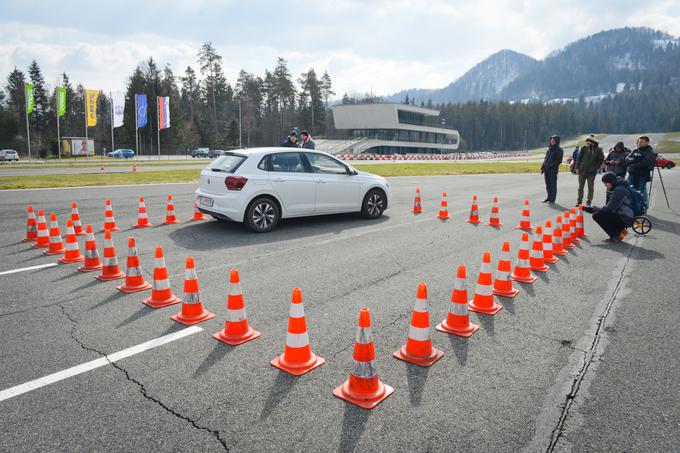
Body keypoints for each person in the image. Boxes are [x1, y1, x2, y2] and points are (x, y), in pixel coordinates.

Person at [586, 172, 634, 242]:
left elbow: (610, 208)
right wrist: (596, 209)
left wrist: (595, 210)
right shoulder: (619, 187)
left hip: (625, 218)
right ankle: (618, 231)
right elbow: (610, 207)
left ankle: (616, 235)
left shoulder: (619, 190)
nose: (605, 185)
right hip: (625, 215)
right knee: (600, 213)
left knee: (597, 215)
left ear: (611, 182)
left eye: (606, 183)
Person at [625, 135, 655, 206]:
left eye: (641, 142)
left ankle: (643, 206)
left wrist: (634, 164)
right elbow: (626, 159)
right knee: (629, 189)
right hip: (632, 174)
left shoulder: (649, 151)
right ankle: (633, 204)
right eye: (638, 142)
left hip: (642, 175)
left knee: (641, 191)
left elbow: (646, 162)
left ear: (647, 142)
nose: (639, 143)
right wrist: (632, 160)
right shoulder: (635, 150)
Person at [575, 136, 604, 207]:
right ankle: (579, 201)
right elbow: (579, 158)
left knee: (590, 187)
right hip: (582, 171)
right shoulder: (584, 148)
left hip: (591, 172)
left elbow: (600, 160)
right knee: (580, 187)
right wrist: (577, 168)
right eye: (586, 141)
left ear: (593, 143)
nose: (587, 143)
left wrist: (595, 168)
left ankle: (589, 201)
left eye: (588, 141)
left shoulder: (599, 150)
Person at [540, 135, 563, 203]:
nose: (552, 141)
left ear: (556, 141)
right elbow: (545, 159)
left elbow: (558, 161)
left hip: (553, 171)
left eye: (553, 140)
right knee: (548, 185)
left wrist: (550, 166)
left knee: (553, 185)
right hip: (547, 170)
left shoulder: (559, 150)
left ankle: (552, 199)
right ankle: (548, 197)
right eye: (551, 140)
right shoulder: (549, 149)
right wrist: (542, 167)